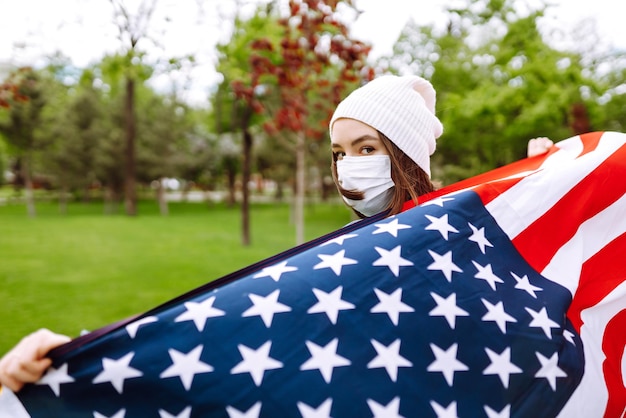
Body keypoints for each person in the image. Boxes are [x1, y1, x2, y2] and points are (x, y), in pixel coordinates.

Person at [0, 74, 555, 394]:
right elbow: (237, 317)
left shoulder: (464, 239)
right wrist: (78, 350)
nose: (348, 166)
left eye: (367, 149)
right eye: (339, 152)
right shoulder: (343, 250)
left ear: (406, 154)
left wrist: (541, 199)